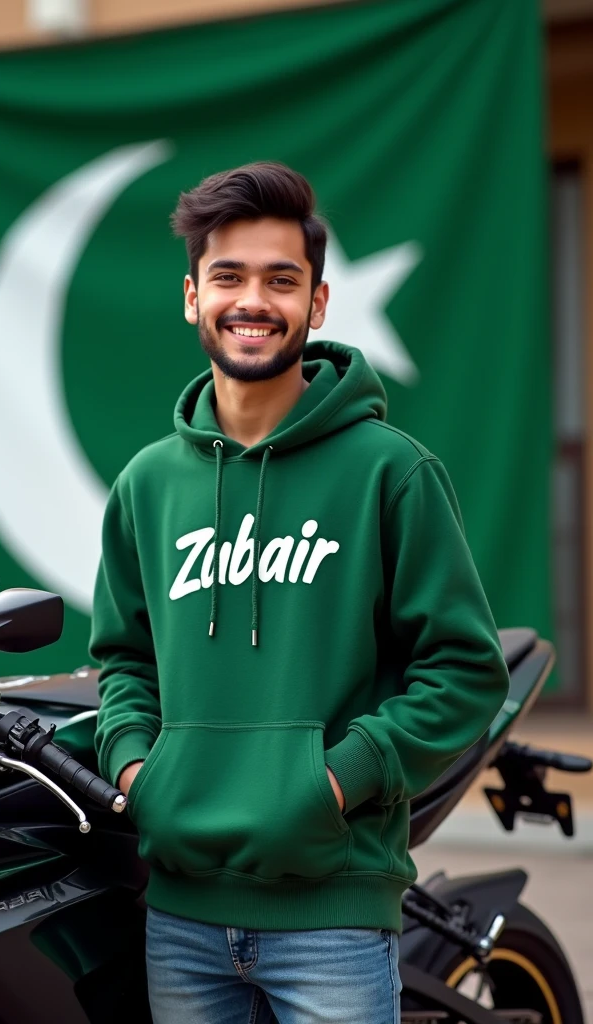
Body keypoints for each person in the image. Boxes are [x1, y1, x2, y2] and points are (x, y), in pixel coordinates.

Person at [90, 162, 510, 1024]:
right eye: (229, 277)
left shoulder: (391, 472)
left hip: (334, 918)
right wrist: (140, 767)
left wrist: (335, 781)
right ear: (191, 296)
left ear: (317, 304)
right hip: (181, 918)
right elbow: (124, 661)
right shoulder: (146, 486)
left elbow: (465, 670)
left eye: (282, 280)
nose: (254, 301)